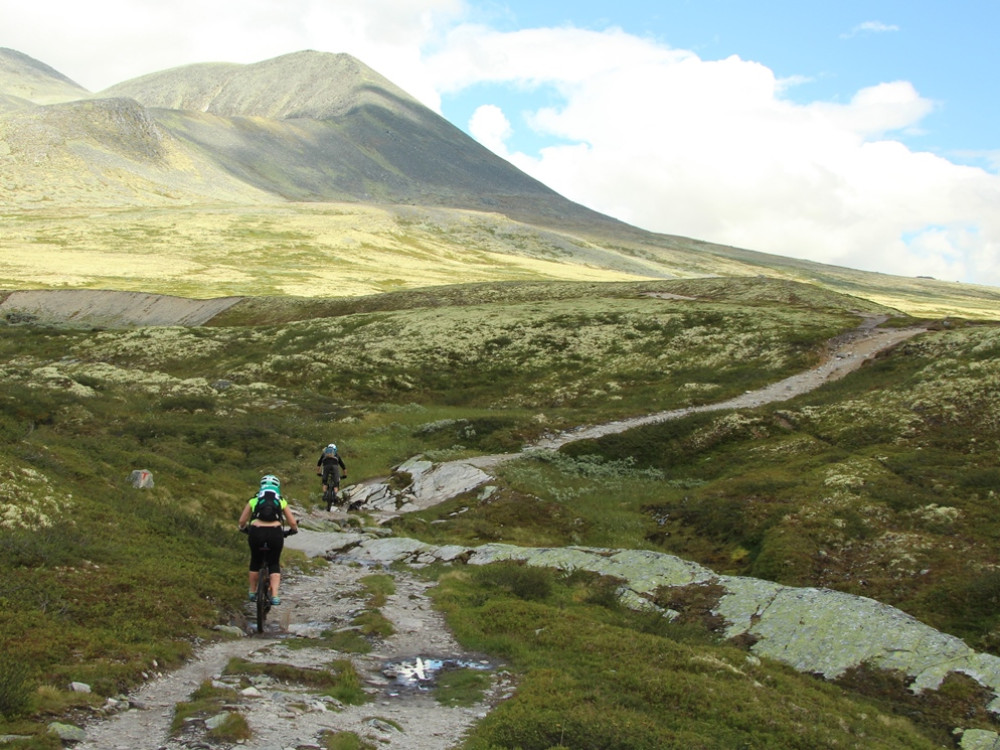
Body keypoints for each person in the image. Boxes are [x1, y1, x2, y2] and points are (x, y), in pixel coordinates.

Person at [238, 474, 298, 605]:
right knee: (273, 563)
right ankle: (275, 595)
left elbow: (242, 520)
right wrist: (293, 530)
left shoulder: (255, 499)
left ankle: (253, 591)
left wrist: (243, 528)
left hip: (256, 532)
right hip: (275, 533)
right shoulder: (280, 500)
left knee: (255, 560)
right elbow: (292, 522)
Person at [316, 443, 347, 510]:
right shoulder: (337, 455)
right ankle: (335, 495)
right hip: (334, 467)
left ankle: (325, 494)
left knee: (324, 482)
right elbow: (343, 466)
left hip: (326, 467)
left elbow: (319, 463)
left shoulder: (324, 454)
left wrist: (318, 472)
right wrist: (345, 475)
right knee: (336, 482)